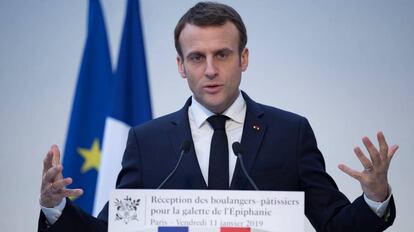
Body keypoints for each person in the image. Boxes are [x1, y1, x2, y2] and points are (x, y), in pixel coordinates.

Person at [38, 2, 398, 232]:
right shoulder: (147, 141)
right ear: (181, 66)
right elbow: (113, 228)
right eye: (197, 58)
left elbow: (334, 226)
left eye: (222, 55)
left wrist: (375, 198)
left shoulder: (290, 133)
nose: (210, 70)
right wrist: (56, 209)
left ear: (243, 59)